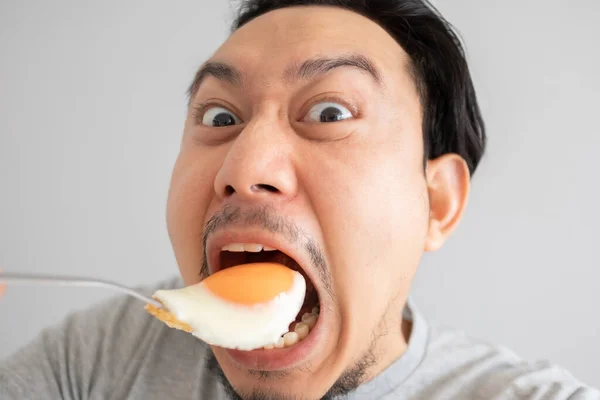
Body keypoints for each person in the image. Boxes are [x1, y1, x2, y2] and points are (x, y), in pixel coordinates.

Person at [1, 1, 599, 399]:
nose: (243, 167)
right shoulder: (101, 359)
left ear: (436, 203)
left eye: (330, 112)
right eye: (219, 115)